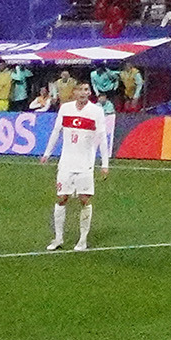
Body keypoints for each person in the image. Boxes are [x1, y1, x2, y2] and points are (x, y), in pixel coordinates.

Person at [40, 74, 109, 252]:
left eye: (87, 90)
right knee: (62, 198)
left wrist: (105, 163)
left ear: (89, 92)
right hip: (66, 162)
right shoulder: (65, 108)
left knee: (84, 200)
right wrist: (47, 153)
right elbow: (56, 131)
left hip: (85, 163)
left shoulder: (96, 111)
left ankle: (82, 240)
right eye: (80, 89)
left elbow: (102, 138)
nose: (84, 93)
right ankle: (58, 238)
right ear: (75, 91)